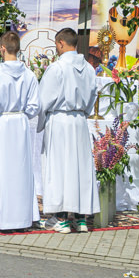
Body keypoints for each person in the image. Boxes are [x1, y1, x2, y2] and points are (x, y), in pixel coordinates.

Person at [37, 27, 99, 233]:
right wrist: (82, 112)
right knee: (79, 169)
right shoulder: (89, 69)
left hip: (60, 120)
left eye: (56, 45)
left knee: (60, 168)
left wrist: (40, 123)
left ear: (61, 43)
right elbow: (92, 98)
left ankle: (61, 218)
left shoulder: (57, 68)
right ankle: (81, 219)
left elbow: (44, 100)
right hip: (79, 120)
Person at [0, 32, 40, 231]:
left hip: (2, 122)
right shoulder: (29, 75)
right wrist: (22, 114)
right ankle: (21, 219)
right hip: (20, 123)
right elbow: (34, 105)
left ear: (2, 48)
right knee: (20, 171)